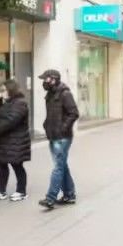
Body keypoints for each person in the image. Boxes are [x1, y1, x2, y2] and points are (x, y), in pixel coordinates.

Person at [38, 69, 80, 210]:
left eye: (46, 79)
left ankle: (50, 198)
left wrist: (63, 128)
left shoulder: (65, 94)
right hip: (53, 135)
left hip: (62, 137)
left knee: (58, 167)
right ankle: (69, 194)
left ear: (54, 79)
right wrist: (46, 125)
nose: (44, 82)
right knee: (62, 166)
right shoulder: (50, 94)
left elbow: (74, 113)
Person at [0, 79, 31, 202]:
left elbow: (11, 121)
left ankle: (21, 191)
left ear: (11, 90)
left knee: (17, 165)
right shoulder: (7, 103)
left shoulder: (20, 103)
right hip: (4, 139)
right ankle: (0, 190)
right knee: (2, 164)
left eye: (4, 90)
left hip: (16, 140)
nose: (2, 93)